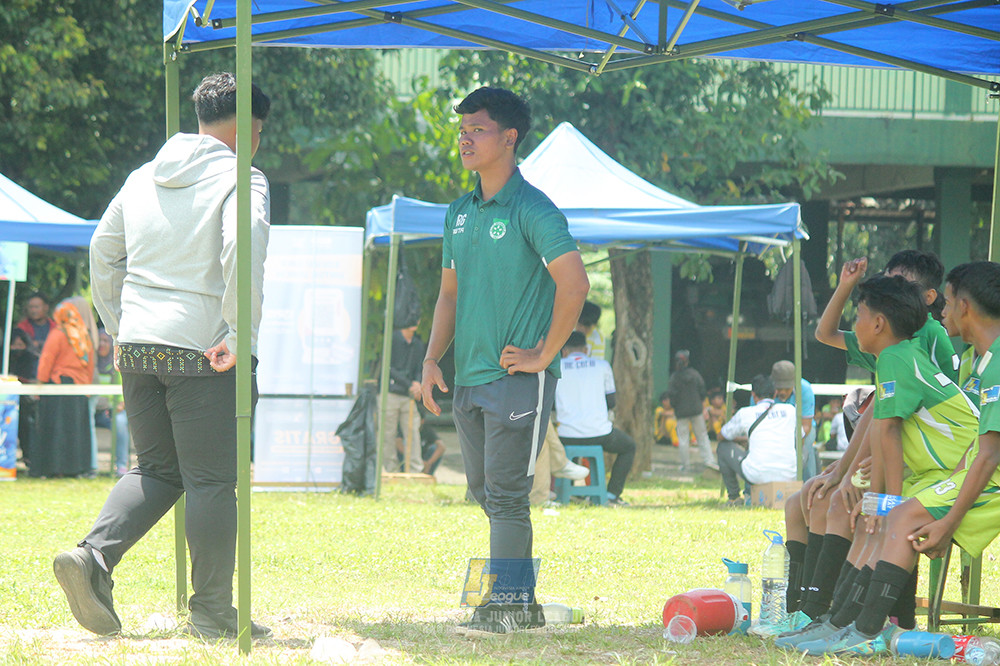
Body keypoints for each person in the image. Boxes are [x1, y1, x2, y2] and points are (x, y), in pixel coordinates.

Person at [54, 72, 272, 640]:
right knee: (211, 483)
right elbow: (241, 241)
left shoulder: (142, 175)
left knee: (154, 469)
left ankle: (92, 558)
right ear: (251, 131)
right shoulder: (242, 177)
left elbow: (104, 250)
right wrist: (238, 332)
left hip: (139, 347)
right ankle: (213, 612)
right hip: (204, 351)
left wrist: (119, 325)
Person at [420, 86, 589, 633]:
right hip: (467, 379)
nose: (465, 138)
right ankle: (523, 603)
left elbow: (576, 284)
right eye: (462, 129)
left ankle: (507, 604)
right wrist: (430, 360)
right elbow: (448, 295)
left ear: (509, 137)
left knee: (509, 494)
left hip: (517, 378)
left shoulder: (533, 208)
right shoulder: (459, 212)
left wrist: (546, 354)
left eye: (478, 129)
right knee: (487, 492)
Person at [793, 262, 1000, 656]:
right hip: (953, 467)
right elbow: (887, 431)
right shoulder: (915, 355)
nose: (942, 310)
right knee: (876, 520)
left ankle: (866, 631)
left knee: (895, 516)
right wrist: (863, 484)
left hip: (974, 472)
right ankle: (841, 622)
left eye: (949, 301)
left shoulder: (899, 357)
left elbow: (980, 450)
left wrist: (891, 501)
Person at [554, 331, 636, 506]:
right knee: (628, 446)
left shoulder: (556, 367)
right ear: (586, 349)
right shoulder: (602, 366)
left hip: (566, 435)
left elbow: (552, 405)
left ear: (564, 351)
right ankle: (612, 494)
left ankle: (558, 492)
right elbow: (611, 402)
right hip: (599, 433)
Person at [31, 297, 98, 478]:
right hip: (79, 389)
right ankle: (76, 469)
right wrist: (86, 387)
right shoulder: (84, 337)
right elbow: (90, 365)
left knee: (56, 428)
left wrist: (40, 384)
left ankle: (55, 468)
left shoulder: (58, 334)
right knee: (76, 429)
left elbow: (47, 359)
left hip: (58, 388)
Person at [717, 374, 797, 504]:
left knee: (723, 447)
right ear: (775, 393)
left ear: (753, 395)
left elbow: (722, 435)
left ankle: (734, 497)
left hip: (757, 475)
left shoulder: (745, 413)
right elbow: (801, 436)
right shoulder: (790, 410)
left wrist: (741, 439)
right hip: (789, 473)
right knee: (808, 450)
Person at [383, 321, 426, 474]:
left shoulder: (417, 344)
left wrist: (417, 383)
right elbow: (388, 367)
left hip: (408, 395)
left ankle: (415, 469)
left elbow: (419, 367)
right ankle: (391, 469)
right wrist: (410, 384)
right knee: (388, 433)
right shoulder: (393, 339)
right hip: (391, 393)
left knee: (413, 432)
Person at [667, 350, 717, 471]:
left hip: (681, 412)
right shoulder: (695, 374)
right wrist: (700, 403)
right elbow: (702, 391)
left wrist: (676, 407)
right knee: (702, 436)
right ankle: (709, 461)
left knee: (683, 439)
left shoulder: (674, 378)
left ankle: (685, 466)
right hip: (696, 410)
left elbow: (672, 396)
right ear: (687, 362)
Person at [17, 292, 56, 357]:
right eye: (31, 307)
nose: (33, 310)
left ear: (46, 307)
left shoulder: (56, 327)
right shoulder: (22, 327)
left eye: (36, 307)